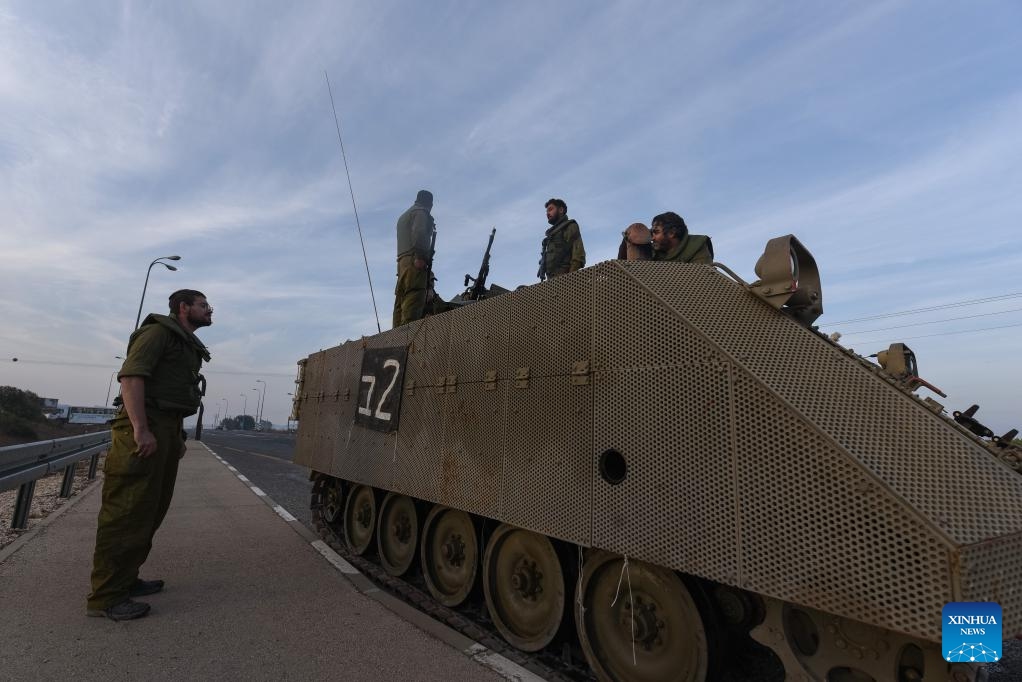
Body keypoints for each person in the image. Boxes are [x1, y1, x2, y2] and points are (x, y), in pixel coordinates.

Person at [87, 289, 212, 621]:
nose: (209, 309)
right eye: (203, 305)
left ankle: (126, 581)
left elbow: (171, 392)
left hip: (165, 427)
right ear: (184, 308)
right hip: (145, 427)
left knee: (149, 511)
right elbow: (131, 378)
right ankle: (106, 598)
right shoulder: (158, 333)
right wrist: (141, 429)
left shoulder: (184, 342)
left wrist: (177, 434)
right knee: (126, 512)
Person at [394, 189, 435, 326]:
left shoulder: (403, 217)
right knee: (413, 301)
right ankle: (407, 339)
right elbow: (419, 233)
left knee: (400, 303)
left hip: (402, 264)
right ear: (429, 204)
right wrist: (421, 257)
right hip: (414, 262)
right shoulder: (421, 212)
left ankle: (396, 338)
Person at [537, 198, 585, 280]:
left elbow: (578, 256)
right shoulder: (550, 236)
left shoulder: (570, 226)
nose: (548, 213)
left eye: (550, 209)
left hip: (565, 280)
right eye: (547, 211)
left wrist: (570, 278)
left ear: (561, 210)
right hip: (551, 281)